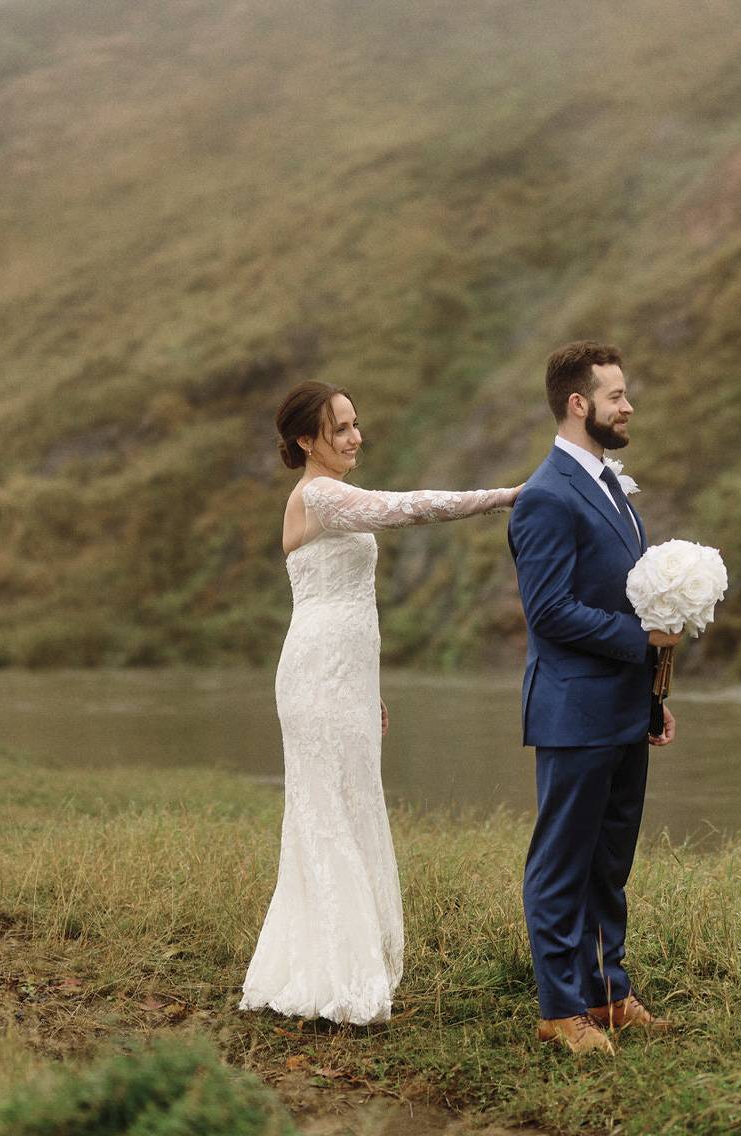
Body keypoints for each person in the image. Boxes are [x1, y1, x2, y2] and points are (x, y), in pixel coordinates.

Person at [240, 381, 521, 1026]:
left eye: (355, 423)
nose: (355, 436)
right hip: (315, 673)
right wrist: (504, 496)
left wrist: (370, 688)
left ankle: (331, 963)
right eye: (340, 428)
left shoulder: (327, 496)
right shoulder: (319, 494)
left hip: (345, 672)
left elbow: (350, 608)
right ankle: (341, 975)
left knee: (349, 801)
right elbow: (409, 508)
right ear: (306, 441)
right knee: (326, 810)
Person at [507, 341, 680, 1055]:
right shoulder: (547, 495)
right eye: (615, 395)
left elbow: (621, 588)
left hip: (620, 708)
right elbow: (548, 611)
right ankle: (559, 1009)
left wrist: (652, 695)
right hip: (574, 709)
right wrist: (644, 641)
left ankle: (609, 993)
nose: (628, 405)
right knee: (562, 864)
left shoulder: (611, 484)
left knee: (610, 862)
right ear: (579, 404)